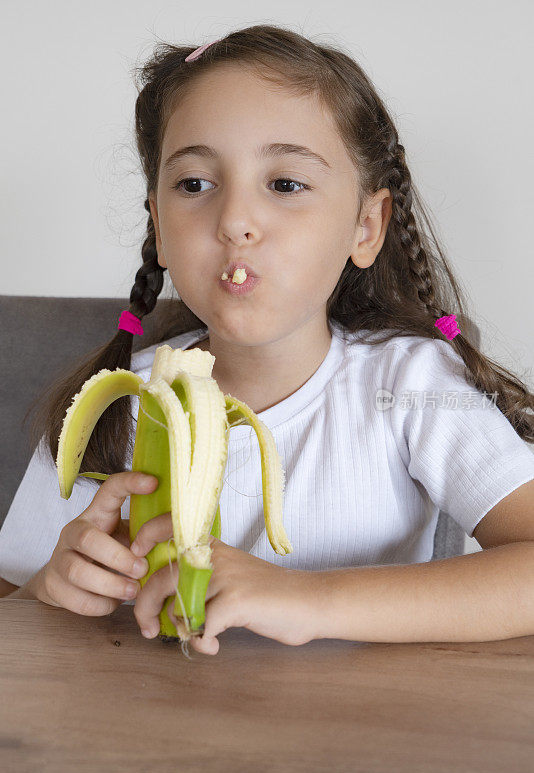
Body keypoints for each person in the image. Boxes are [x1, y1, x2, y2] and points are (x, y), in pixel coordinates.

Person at [1, 24, 534, 656]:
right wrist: (49, 587)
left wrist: (306, 599)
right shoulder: (112, 407)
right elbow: (16, 602)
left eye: (285, 184)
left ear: (366, 227)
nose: (235, 222)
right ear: (161, 231)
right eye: (195, 184)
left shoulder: (412, 386)